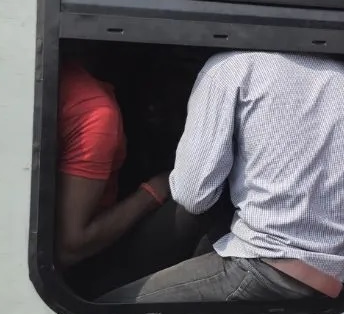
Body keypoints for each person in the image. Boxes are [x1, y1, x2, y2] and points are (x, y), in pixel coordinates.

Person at [98, 51, 344, 304]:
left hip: (265, 267)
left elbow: (194, 197)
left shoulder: (231, 67)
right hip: (343, 272)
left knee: (102, 312)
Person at [56, 52, 226, 299]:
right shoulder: (94, 111)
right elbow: (70, 246)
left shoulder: (58, 78)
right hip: (79, 269)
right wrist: (153, 191)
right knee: (198, 198)